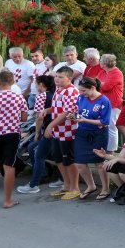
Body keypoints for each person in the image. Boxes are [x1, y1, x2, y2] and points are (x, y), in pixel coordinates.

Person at [44, 66, 81, 200]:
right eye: (56, 76)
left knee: (69, 160)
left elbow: (66, 113)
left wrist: (50, 126)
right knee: (58, 158)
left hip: (68, 131)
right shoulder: (59, 90)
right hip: (57, 131)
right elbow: (57, 107)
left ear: (69, 78)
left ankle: (75, 188)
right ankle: (67, 185)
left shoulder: (72, 91)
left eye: (61, 77)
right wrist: (47, 111)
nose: (57, 79)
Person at [73, 76, 112, 200]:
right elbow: (80, 112)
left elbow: (105, 121)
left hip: (98, 134)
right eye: (80, 90)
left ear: (93, 88)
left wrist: (85, 120)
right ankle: (91, 186)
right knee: (79, 162)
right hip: (82, 132)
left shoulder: (104, 101)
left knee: (99, 162)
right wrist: (73, 116)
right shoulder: (81, 97)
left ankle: (106, 188)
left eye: (83, 90)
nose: (81, 93)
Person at [16, 75, 56, 195]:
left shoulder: (42, 96)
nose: (34, 85)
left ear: (41, 85)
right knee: (31, 147)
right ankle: (42, 174)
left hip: (48, 130)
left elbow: (39, 118)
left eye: (35, 83)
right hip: (54, 129)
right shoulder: (53, 94)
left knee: (38, 154)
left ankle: (34, 184)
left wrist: (37, 133)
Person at [0, 69, 28, 208]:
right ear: (13, 81)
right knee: (9, 166)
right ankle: (7, 200)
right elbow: (23, 118)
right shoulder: (18, 97)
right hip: (12, 133)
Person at [96, 54, 124, 151]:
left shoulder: (117, 73)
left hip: (114, 104)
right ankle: (103, 148)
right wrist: (100, 84)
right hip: (102, 103)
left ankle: (111, 151)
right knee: (102, 126)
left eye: (100, 61)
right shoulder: (102, 72)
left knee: (111, 127)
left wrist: (100, 83)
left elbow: (106, 87)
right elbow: (96, 84)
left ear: (103, 64)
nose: (99, 63)